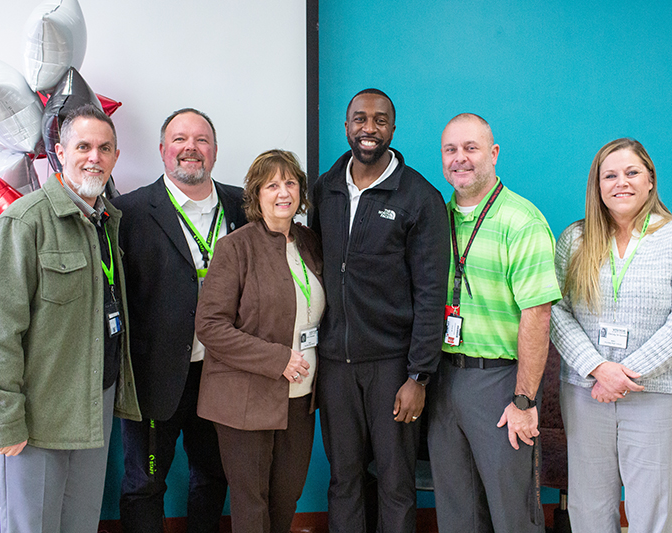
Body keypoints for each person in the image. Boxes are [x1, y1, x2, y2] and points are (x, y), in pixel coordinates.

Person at [0, 103, 141, 532]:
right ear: (60, 152)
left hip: (94, 406)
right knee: (30, 525)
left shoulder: (107, 221)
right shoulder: (23, 222)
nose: (94, 157)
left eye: (105, 148)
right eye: (83, 146)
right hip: (38, 416)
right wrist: (5, 421)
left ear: (116, 157)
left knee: (79, 524)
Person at [551, 138, 672, 533]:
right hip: (585, 391)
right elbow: (554, 309)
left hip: (655, 395)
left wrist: (624, 374)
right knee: (588, 507)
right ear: (598, 185)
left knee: (650, 512)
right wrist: (596, 368)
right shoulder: (575, 238)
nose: (620, 182)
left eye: (631, 172)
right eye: (610, 175)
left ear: (650, 181)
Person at [310, 89, 450, 533]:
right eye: (360, 119)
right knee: (344, 480)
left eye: (380, 120)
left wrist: (418, 376)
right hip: (335, 366)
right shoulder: (324, 189)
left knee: (395, 483)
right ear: (346, 125)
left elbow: (431, 292)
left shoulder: (419, 197)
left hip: (394, 368)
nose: (369, 129)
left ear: (393, 128)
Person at [113, 108, 247, 533]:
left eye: (201, 139)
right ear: (162, 150)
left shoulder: (242, 205)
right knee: (144, 483)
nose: (191, 148)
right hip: (157, 376)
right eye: (179, 139)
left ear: (215, 150)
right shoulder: (128, 213)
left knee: (213, 477)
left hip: (223, 374)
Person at [428, 113, 562, 533]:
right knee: (457, 513)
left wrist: (524, 401)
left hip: (501, 385)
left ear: (494, 153)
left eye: (471, 148)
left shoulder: (521, 221)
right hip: (444, 379)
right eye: (451, 150)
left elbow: (538, 315)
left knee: (510, 515)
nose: (460, 158)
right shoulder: (434, 218)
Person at [193, 149, 323, 533]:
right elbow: (210, 325)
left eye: (290, 183)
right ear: (256, 194)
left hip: (301, 399)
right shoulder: (235, 247)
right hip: (244, 400)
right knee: (252, 505)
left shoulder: (310, 242)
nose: (283, 192)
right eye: (272, 185)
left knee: (286, 497)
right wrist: (277, 359)